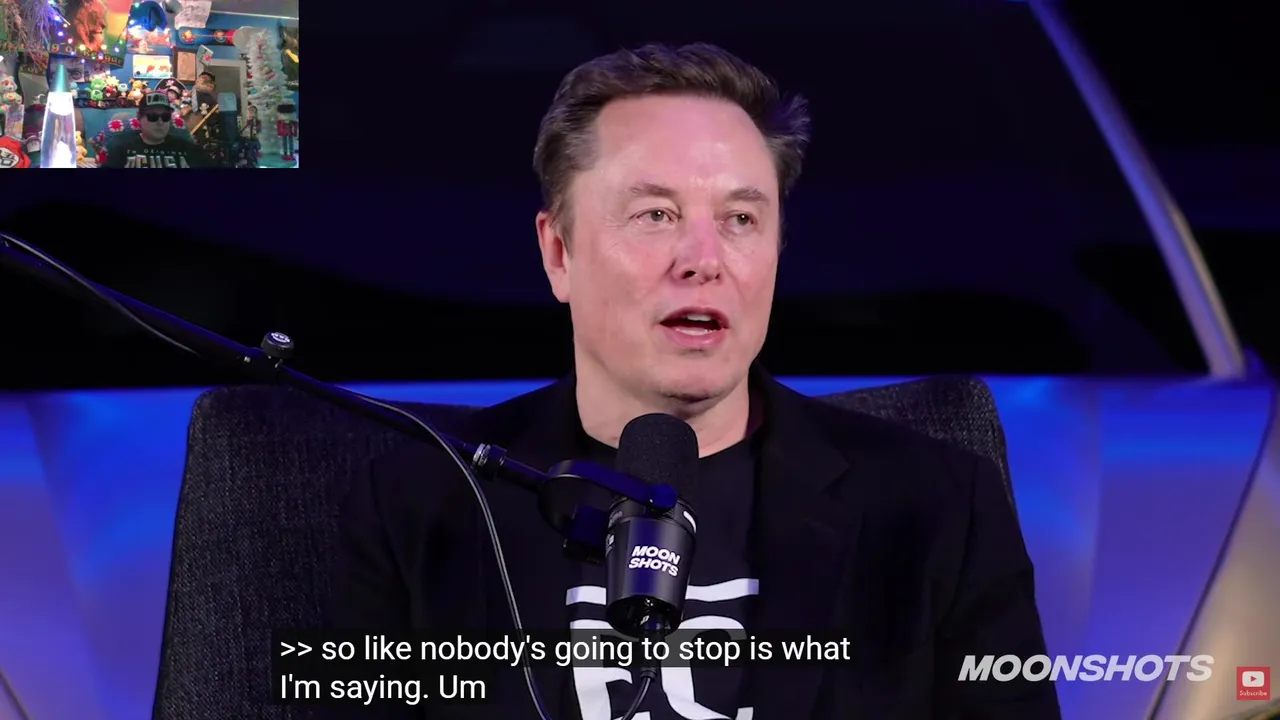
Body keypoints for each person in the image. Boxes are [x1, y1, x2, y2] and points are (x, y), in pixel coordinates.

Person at [325, 43, 1060, 719]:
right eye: (656, 214)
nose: (703, 260)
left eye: (740, 218)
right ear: (559, 253)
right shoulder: (421, 502)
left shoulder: (935, 506)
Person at [101, 92, 211, 168]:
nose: (160, 122)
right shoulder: (120, 152)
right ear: (139, 117)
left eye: (165, 116)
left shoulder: (191, 150)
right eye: (152, 116)